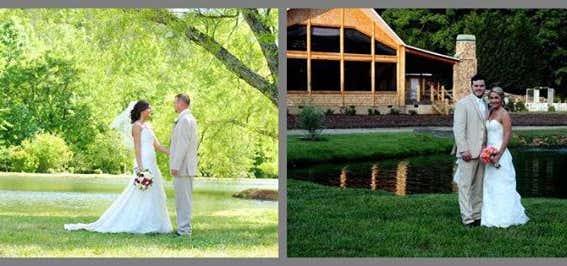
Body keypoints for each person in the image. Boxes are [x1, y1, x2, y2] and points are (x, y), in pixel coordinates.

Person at [64, 100, 173, 234]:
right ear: (141, 110)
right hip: (143, 162)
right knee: (140, 192)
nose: (151, 110)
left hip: (152, 163)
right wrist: (141, 168)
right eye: (148, 108)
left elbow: (158, 146)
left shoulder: (148, 126)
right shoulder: (136, 126)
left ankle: (155, 223)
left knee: (154, 193)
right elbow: (137, 148)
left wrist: (173, 153)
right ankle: (138, 222)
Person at [481, 87, 529, 228]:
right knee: (490, 185)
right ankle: (490, 217)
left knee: (502, 185)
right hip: (489, 154)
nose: (494, 100)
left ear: (501, 99)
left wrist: (499, 155)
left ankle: (505, 217)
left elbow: (507, 135)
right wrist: (487, 153)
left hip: (500, 154)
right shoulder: (489, 113)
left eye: (496, 98)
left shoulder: (504, 114)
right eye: (491, 98)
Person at [452, 74, 488, 227]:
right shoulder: (463, 104)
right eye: (476, 86)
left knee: (478, 187)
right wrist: (463, 149)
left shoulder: (486, 104)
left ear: (485, 87)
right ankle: (467, 218)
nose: (479, 88)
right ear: (471, 86)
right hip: (468, 152)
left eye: (481, 86)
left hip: (483, 153)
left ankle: (477, 215)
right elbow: (458, 129)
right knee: (465, 187)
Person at [169, 93, 199, 237]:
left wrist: (175, 165)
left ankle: (185, 230)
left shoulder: (185, 120)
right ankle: (182, 228)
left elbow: (182, 145)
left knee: (184, 200)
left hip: (183, 167)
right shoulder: (186, 119)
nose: (174, 105)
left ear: (181, 103)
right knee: (181, 200)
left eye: (175, 103)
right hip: (184, 167)